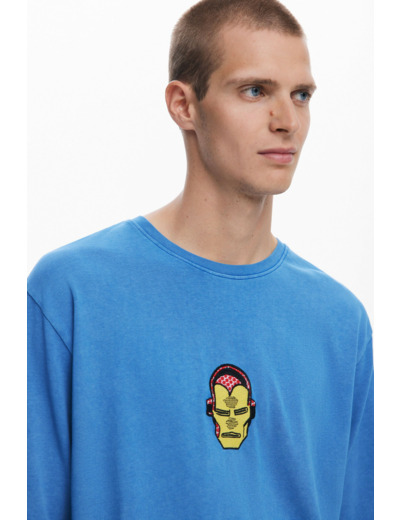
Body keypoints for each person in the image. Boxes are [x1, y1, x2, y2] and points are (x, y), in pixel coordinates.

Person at [27, 0, 373, 518]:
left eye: (301, 95)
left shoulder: (341, 322)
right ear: (183, 105)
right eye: (255, 91)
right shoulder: (71, 294)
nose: (287, 122)